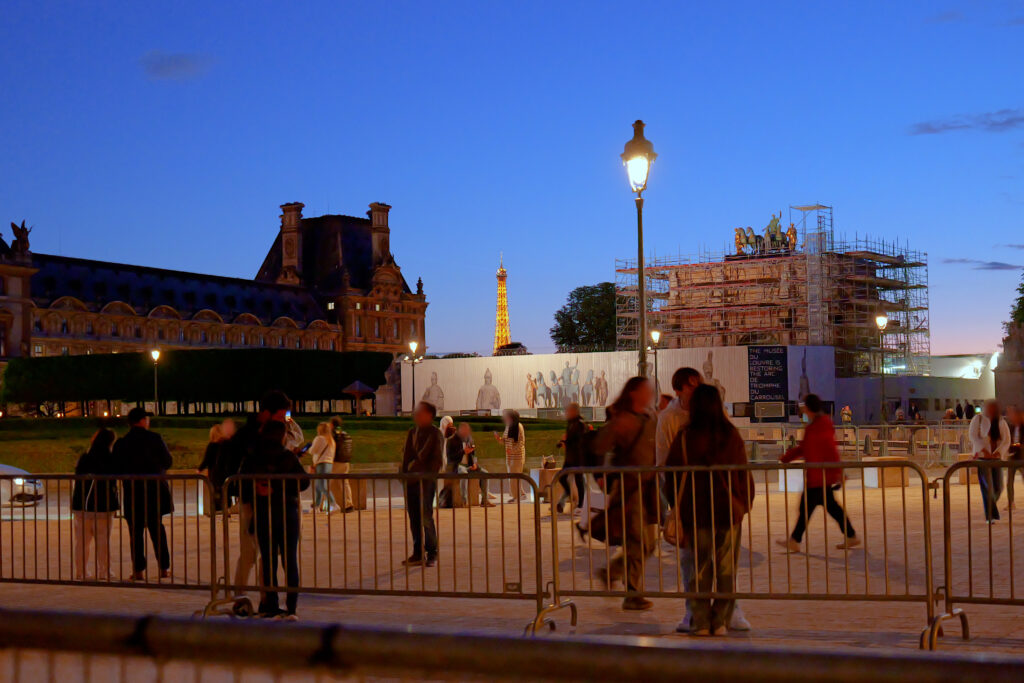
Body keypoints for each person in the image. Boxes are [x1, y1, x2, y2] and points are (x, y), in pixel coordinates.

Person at [659, 367, 750, 633]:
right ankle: (721, 620)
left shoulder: (685, 436)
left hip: (695, 510)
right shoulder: (731, 435)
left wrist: (676, 503)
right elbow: (742, 473)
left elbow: (671, 473)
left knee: (698, 568)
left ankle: (699, 620)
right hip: (727, 510)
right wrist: (742, 503)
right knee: (725, 567)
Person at [591, 376, 659, 611]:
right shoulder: (622, 421)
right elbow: (598, 445)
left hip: (649, 487)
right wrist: (601, 474)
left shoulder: (650, 417)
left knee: (649, 543)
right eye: (646, 390)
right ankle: (632, 594)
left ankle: (612, 572)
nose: (650, 393)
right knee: (638, 541)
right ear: (633, 393)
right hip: (629, 489)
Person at [220, 390, 294, 607]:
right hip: (251, 500)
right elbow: (234, 468)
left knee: (269, 552)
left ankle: (266, 598)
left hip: (273, 499)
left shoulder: (271, 433)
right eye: (280, 416)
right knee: (250, 551)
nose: (283, 421)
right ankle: (239, 596)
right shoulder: (247, 436)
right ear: (265, 413)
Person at [240, 419, 309, 619]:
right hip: (287, 511)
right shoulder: (287, 457)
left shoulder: (253, 457)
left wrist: (258, 488)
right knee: (290, 560)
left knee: (268, 560)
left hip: (263, 512)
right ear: (282, 436)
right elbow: (303, 482)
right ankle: (292, 608)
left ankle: (270, 604)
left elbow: (240, 483)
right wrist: (279, 488)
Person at [777, 394, 859, 552]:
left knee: (807, 509)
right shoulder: (815, 425)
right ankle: (851, 535)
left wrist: (839, 472)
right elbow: (804, 447)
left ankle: (795, 540)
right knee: (830, 508)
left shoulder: (821, 425)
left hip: (819, 477)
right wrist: (786, 458)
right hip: (817, 476)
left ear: (807, 407)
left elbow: (831, 451)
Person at [113, 407, 173, 581]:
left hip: (133, 492)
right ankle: (164, 567)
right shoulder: (155, 438)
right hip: (154, 491)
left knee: (135, 532)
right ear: (142, 420)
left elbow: (116, 468)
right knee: (157, 529)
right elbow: (168, 461)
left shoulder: (122, 443)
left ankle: (138, 570)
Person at [71, 427, 120, 581]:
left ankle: (81, 572)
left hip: (82, 506)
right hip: (103, 506)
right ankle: (104, 572)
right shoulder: (111, 458)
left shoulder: (84, 457)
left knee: (82, 542)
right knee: (103, 540)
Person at [402, 401, 443, 567]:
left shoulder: (435, 433)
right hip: (411, 481)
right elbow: (406, 455)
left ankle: (432, 552)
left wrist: (425, 474)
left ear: (429, 415)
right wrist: (405, 473)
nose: (416, 415)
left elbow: (437, 459)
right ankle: (418, 553)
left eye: (419, 412)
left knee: (425, 516)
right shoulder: (412, 432)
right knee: (413, 517)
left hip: (426, 481)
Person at [970, 399, 1011, 523]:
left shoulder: (1001, 421)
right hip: (982, 458)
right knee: (987, 487)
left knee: (998, 487)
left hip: (996, 459)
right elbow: (973, 436)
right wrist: (984, 450)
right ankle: (991, 516)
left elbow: (1006, 439)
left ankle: (990, 507)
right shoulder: (978, 419)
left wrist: (999, 452)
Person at [556, 403, 589, 514]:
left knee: (579, 481)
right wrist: (563, 442)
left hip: (578, 458)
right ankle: (570, 496)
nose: (567, 413)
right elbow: (570, 439)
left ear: (575, 411)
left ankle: (581, 505)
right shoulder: (571, 423)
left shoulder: (580, 424)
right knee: (561, 477)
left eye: (569, 411)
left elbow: (581, 441)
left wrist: (567, 442)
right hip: (570, 458)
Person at [198, 419, 236, 511]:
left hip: (215, 474)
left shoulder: (212, 445)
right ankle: (228, 509)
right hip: (227, 473)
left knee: (217, 493)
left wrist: (199, 469)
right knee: (227, 492)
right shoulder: (227, 444)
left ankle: (219, 511)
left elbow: (207, 460)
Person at [456, 422, 495, 506]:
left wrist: (474, 463)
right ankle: (464, 500)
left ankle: (485, 500)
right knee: (463, 473)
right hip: (458, 465)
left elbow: (473, 453)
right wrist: (463, 451)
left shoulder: (469, 439)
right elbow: (451, 455)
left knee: (485, 473)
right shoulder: (454, 440)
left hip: (469, 465)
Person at [494, 410, 527, 501]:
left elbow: (521, 442)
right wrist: (498, 439)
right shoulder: (508, 426)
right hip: (509, 456)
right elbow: (504, 441)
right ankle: (521, 494)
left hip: (517, 456)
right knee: (514, 476)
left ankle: (516, 497)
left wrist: (512, 450)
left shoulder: (519, 426)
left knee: (513, 477)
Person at [308, 422, 339, 513]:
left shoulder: (319, 438)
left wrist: (309, 448)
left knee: (321, 486)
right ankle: (316, 506)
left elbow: (313, 450)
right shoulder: (331, 440)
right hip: (329, 464)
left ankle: (334, 504)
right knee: (319, 486)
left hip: (321, 464)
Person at [329, 416, 354, 511]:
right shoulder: (346, 434)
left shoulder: (334, 435)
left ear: (331, 425)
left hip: (336, 462)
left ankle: (322, 505)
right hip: (345, 462)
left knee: (325, 482)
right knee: (345, 483)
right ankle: (349, 504)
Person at [437, 419, 464, 509]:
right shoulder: (438, 434)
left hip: (449, 463)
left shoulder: (452, 436)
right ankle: (443, 501)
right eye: (449, 424)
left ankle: (448, 501)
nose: (450, 426)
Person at [1006, 406, 1024, 511]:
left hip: (1022, 457)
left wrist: (1019, 446)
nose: (1011, 416)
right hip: (1012, 457)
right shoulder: (1011, 427)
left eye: (1013, 414)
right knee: (1009, 481)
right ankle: (1010, 502)